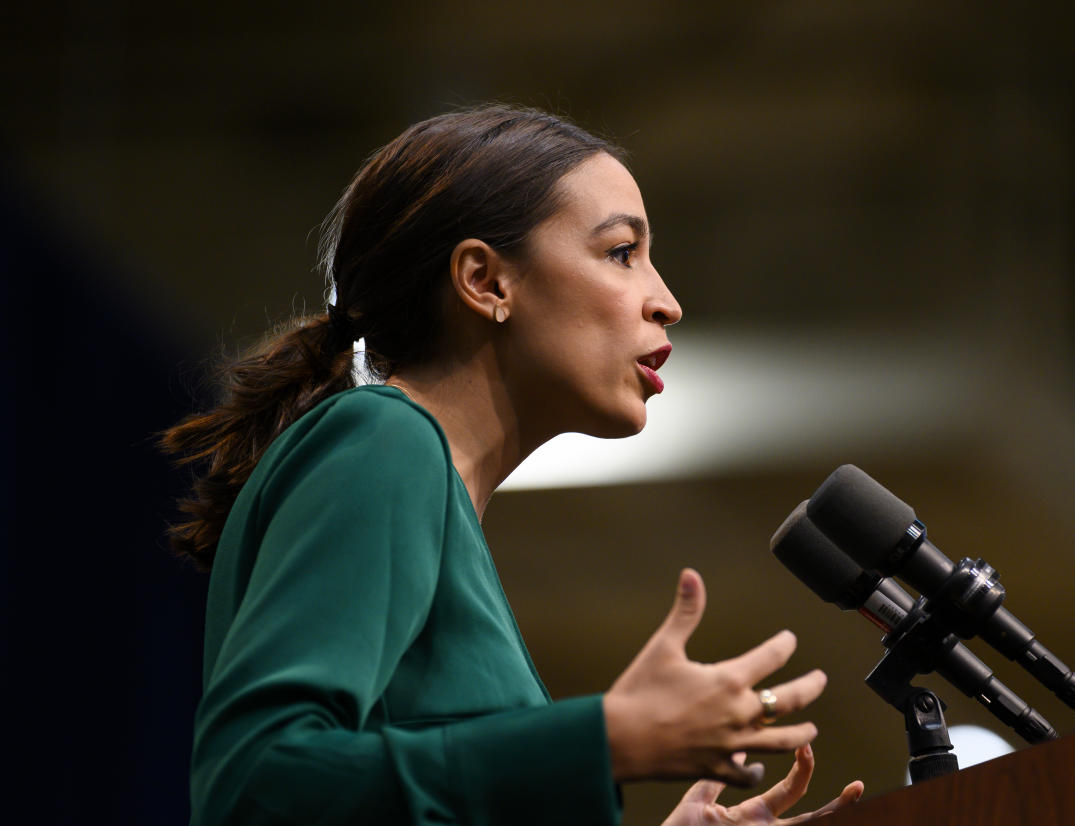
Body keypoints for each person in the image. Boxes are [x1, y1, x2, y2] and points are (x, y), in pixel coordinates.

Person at [162, 105, 864, 825]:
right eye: (622, 252)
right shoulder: (383, 440)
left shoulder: (424, 492)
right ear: (486, 281)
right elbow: (253, 783)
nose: (668, 303)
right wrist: (604, 739)